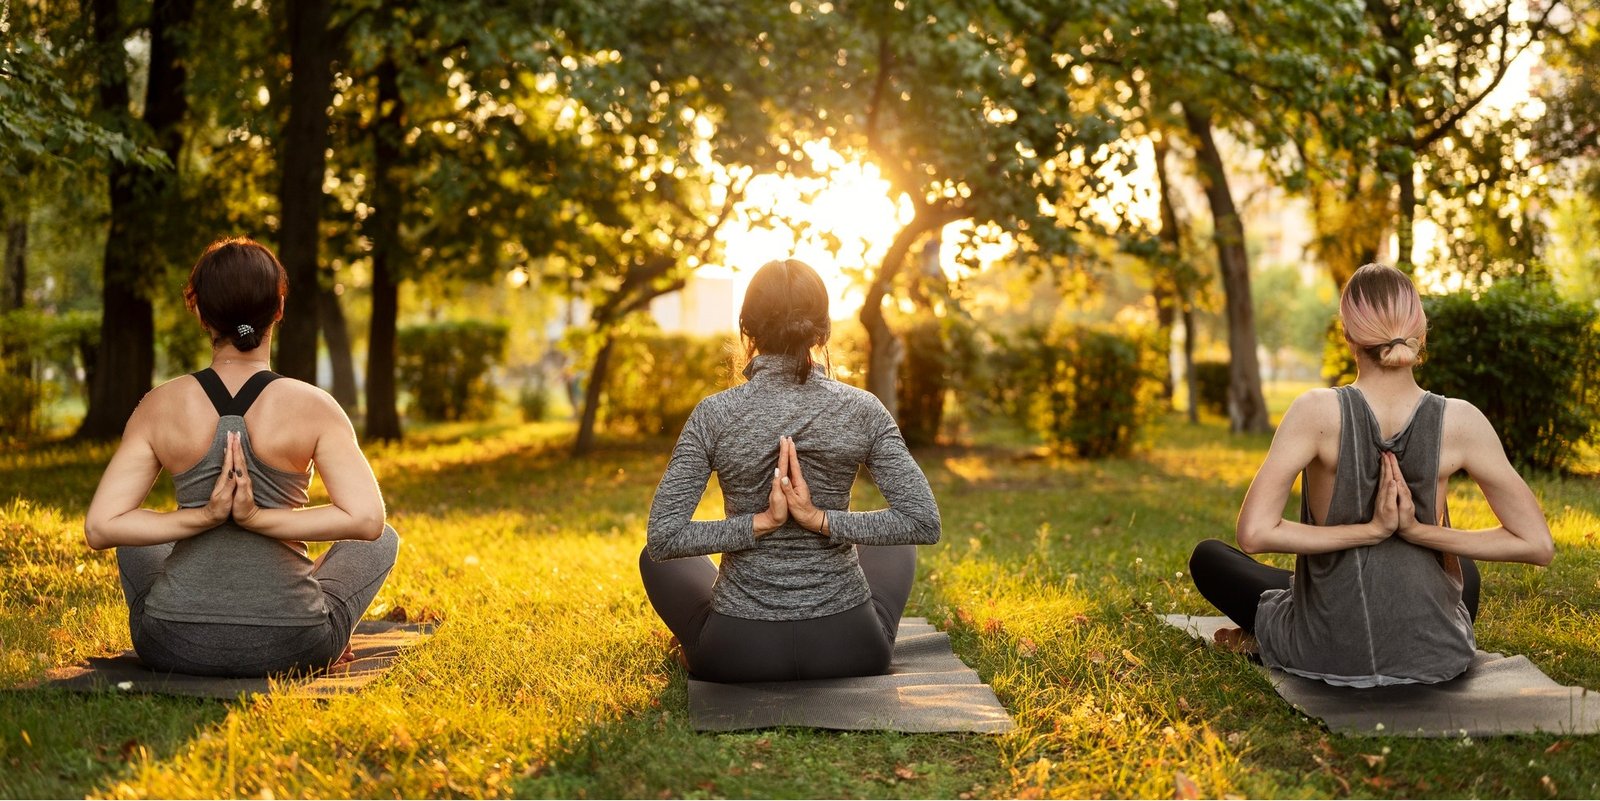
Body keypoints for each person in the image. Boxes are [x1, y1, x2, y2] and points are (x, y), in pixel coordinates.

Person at [1187, 263, 1554, 686]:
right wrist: (1417, 532)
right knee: (1462, 567)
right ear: (1421, 331)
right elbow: (1537, 544)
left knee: (1210, 557)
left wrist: (1368, 533)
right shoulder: (1462, 420)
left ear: (1347, 336)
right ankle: (1337, 605)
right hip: (1436, 655)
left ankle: (1274, 626)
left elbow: (1253, 533)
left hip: (1324, 648)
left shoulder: (1314, 412)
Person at [84, 237, 399, 678]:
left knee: (139, 533)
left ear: (196, 308)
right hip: (296, 645)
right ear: (279, 307)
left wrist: (203, 518)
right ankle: (329, 635)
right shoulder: (314, 405)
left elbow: (102, 526)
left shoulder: (159, 404)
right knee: (385, 539)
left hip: (171, 645)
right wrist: (260, 519)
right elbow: (368, 521)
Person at [640, 259, 942, 683]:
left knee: (655, 560)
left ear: (747, 329)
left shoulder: (714, 414)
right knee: (894, 542)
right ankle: (870, 632)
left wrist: (759, 525)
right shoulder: (862, 408)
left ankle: (696, 646)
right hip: (851, 649)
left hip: (737, 653)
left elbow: (663, 538)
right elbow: (922, 521)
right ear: (823, 329)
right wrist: (821, 521)